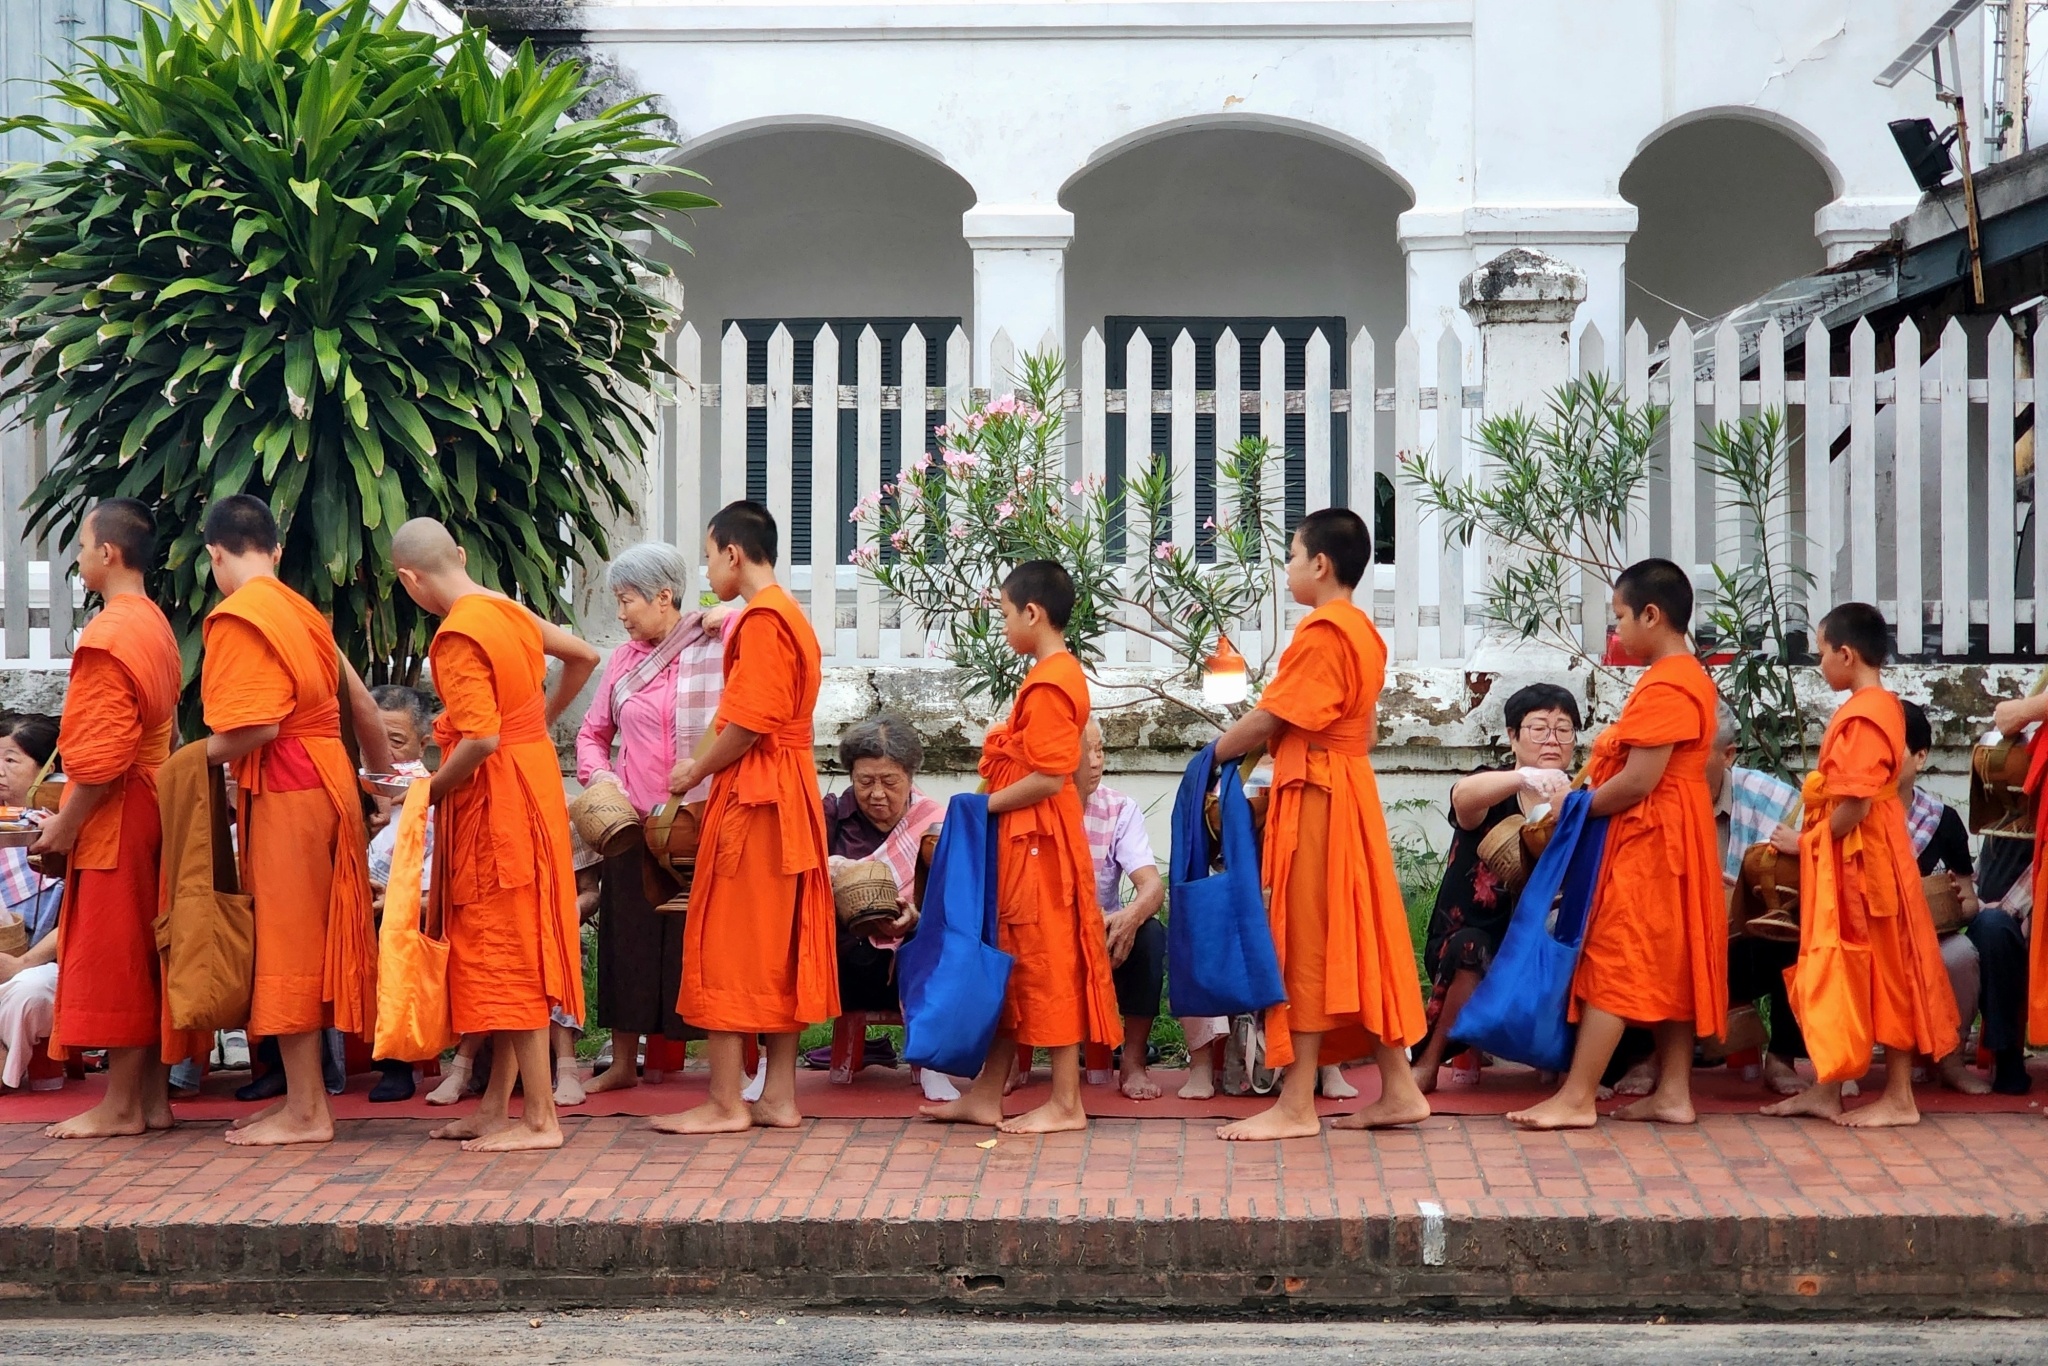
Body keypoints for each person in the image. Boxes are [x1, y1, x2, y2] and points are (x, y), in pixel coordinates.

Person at [1208, 508, 1431, 1141]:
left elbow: (1271, 717)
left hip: (1321, 796)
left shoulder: (1323, 631)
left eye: (1292, 555)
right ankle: (1400, 1088)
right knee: (1354, 934)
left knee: (1307, 938)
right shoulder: (1363, 631)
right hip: (1348, 788)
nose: (1288, 568)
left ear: (1320, 564)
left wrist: (1213, 755)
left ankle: (1298, 1103)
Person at [390, 517, 598, 1152]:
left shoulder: (454, 637)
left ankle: (540, 1119)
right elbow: (584, 655)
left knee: (506, 952)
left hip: (496, 801)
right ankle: (495, 1108)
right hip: (532, 779)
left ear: (409, 580)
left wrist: (428, 790)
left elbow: (479, 740)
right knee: (511, 942)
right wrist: (532, 725)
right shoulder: (506, 610)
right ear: (459, 552)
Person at [197, 495, 390, 1146]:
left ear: (214, 554)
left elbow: (258, 725)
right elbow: (361, 703)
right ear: (274, 550)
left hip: (288, 786)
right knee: (302, 938)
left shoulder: (241, 615)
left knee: (288, 944)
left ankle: (308, 1109)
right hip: (328, 781)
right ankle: (302, 1101)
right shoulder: (301, 610)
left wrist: (192, 760)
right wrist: (383, 778)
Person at [1508, 558, 1722, 1132]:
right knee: (1670, 962)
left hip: (1654, 835)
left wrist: (1570, 806)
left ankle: (1577, 1096)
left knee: (1616, 957)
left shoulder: (1670, 681)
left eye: (1620, 618)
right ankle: (1674, 1091)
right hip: (1677, 831)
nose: (1617, 632)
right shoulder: (1686, 675)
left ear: (1652, 615)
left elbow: (1639, 780)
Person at [654, 501, 840, 1134]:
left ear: (733, 553)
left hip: (759, 798)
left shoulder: (761, 621)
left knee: (729, 943)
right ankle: (779, 1098)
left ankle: (727, 1100)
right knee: (778, 946)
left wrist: (696, 770)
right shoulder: (791, 618)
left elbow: (752, 722)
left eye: (709, 556)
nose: (708, 570)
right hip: (788, 792)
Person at [919, 559, 1118, 1135]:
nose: (1003, 625)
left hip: (1040, 843)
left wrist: (978, 806)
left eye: (1005, 614)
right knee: (1010, 958)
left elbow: (1052, 776)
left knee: (1044, 960)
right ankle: (986, 1094)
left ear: (1032, 613)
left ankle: (1065, 1101)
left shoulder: (1054, 680)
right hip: (1030, 839)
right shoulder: (1049, 675)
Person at [1763, 603, 1961, 1127]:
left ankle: (1899, 1098)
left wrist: (1807, 841)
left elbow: (1853, 804)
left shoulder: (1867, 714)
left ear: (1846, 655)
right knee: (1849, 969)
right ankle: (1827, 1089)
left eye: (1822, 652)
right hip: (1863, 858)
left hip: (1866, 864)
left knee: (1886, 971)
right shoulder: (1879, 706)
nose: (1820, 662)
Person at [32, 500, 184, 1138]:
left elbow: (99, 757)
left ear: (109, 553)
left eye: (83, 545)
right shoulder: (155, 625)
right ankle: (150, 1100)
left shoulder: (109, 634)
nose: (78, 558)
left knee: (117, 953)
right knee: (145, 952)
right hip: (152, 804)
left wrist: (63, 828)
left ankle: (121, 1106)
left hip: (116, 811)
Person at [573, 541, 730, 1096]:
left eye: (628, 599)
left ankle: (729, 1070)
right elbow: (592, 735)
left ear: (665, 597)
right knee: (628, 941)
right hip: (634, 823)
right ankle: (622, 1062)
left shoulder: (713, 645)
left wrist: (721, 613)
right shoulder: (622, 661)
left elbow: (766, 623)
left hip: (701, 819)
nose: (621, 613)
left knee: (705, 942)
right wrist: (602, 780)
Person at [1408, 683, 1578, 1093]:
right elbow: (1462, 798)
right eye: (1538, 728)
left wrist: (1569, 799)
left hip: (1541, 939)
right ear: (1512, 736)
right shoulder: (1492, 785)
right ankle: (1430, 1062)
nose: (1552, 739)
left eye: (1564, 729)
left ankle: (1569, 1066)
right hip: (1473, 940)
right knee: (1470, 945)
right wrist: (1525, 777)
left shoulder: (1580, 794)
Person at [818, 712, 944, 1088]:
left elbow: (949, 900)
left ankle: (932, 1061)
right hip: (843, 966)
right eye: (865, 781)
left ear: (910, 777)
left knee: (937, 941)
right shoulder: (831, 818)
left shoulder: (934, 824)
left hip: (913, 963)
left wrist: (914, 918)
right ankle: (765, 1068)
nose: (876, 794)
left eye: (889, 782)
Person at [1704, 700, 1806, 1097]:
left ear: (1728, 755)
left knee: (1796, 931)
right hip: (1676, 941)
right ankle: (1645, 1058)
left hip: (1745, 944)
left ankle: (1781, 1058)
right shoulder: (1653, 793)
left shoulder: (1771, 797)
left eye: (1694, 751)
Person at [1073, 717, 1173, 1100]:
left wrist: (1129, 918)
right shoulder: (1032, 802)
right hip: (1047, 932)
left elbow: (1151, 886)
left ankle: (1132, 1063)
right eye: (1088, 751)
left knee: (1148, 934)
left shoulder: (1118, 809)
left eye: (1101, 750)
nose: (1097, 761)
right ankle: (1012, 1062)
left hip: (1104, 937)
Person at [364, 684, 436, 1103]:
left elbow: (434, 884)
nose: (383, 753)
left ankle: (396, 1063)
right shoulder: (349, 785)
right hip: (349, 902)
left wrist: (392, 899)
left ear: (422, 744)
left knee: (396, 931)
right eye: (373, 740)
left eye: (395, 741)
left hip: (406, 911)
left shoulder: (434, 795)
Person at [0, 714, 65, 1090]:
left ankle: (11, 1071)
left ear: (47, 770)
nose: (0, 771)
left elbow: (79, 919)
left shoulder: (60, 827)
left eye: (11, 760)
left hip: (39, 964)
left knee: (31, 991)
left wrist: (21, 962)